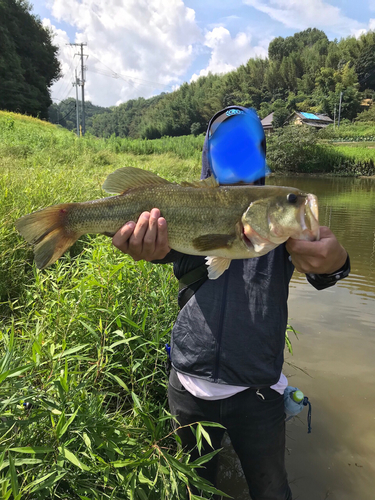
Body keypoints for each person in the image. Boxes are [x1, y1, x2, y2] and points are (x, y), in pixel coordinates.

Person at [111, 106, 350, 500]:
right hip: (188, 385)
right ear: (210, 156)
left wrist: (338, 261)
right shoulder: (189, 207)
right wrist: (144, 247)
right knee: (194, 488)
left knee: (271, 490)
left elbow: (323, 271)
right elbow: (162, 251)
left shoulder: (277, 224)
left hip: (259, 393)